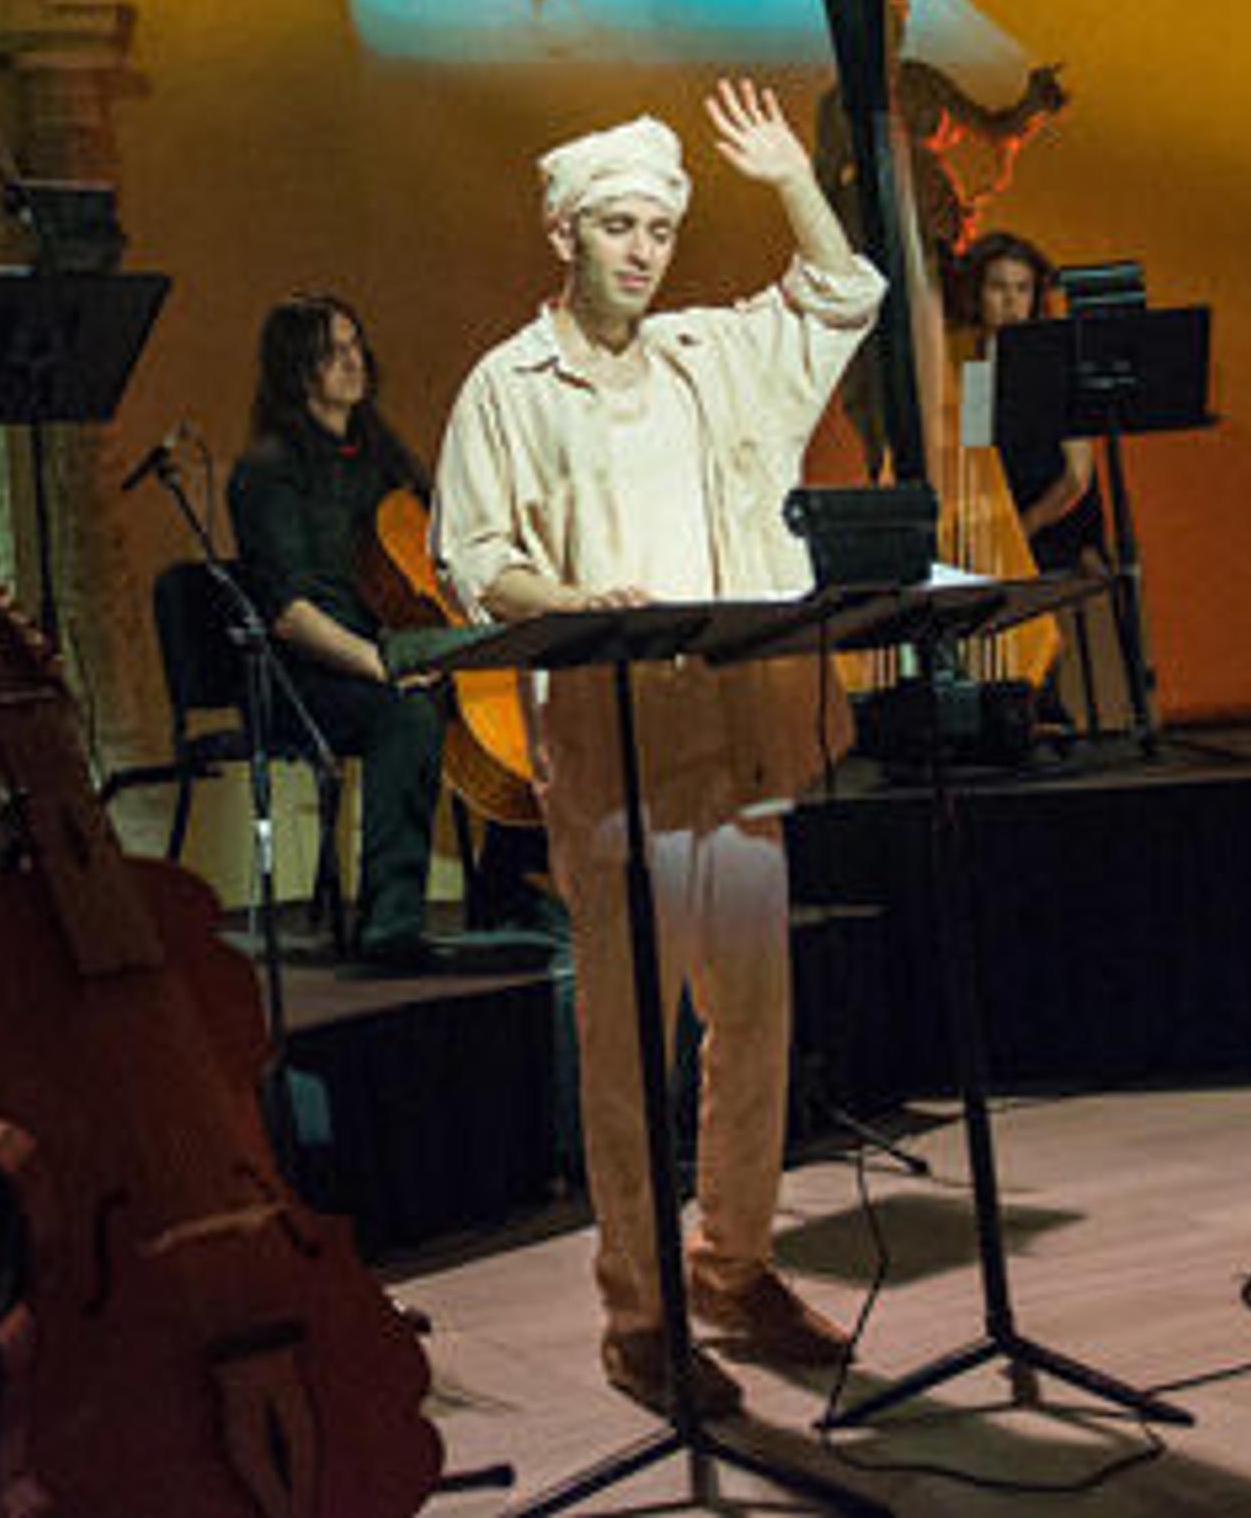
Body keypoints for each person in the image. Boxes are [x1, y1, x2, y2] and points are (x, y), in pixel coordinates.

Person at [432, 81, 882, 1417]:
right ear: (564, 231)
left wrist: (793, 175)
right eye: (618, 224)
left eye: (659, 228)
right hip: (616, 739)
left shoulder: (708, 353)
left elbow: (840, 293)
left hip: (736, 732)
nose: (642, 248)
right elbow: (478, 560)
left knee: (754, 1022)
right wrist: (570, 605)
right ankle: (641, 1312)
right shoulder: (510, 387)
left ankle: (733, 1267)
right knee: (633, 1048)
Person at [223, 295, 456, 972]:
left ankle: (511, 889)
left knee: (506, 687)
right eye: (333, 351)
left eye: (356, 345)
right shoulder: (268, 469)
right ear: (298, 370)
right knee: (408, 714)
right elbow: (291, 614)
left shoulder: (377, 452)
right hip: (306, 674)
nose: (353, 361)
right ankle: (390, 925)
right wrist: (380, 666)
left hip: (384, 647)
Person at [953, 231, 1101, 573]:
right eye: (998, 287)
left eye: (1022, 289)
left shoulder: (1054, 366)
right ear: (978, 295)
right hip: (1007, 528)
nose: (1011, 301)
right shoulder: (976, 367)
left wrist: (1022, 529)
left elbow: (1077, 478)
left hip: (1057, 530)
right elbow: (979, 461)